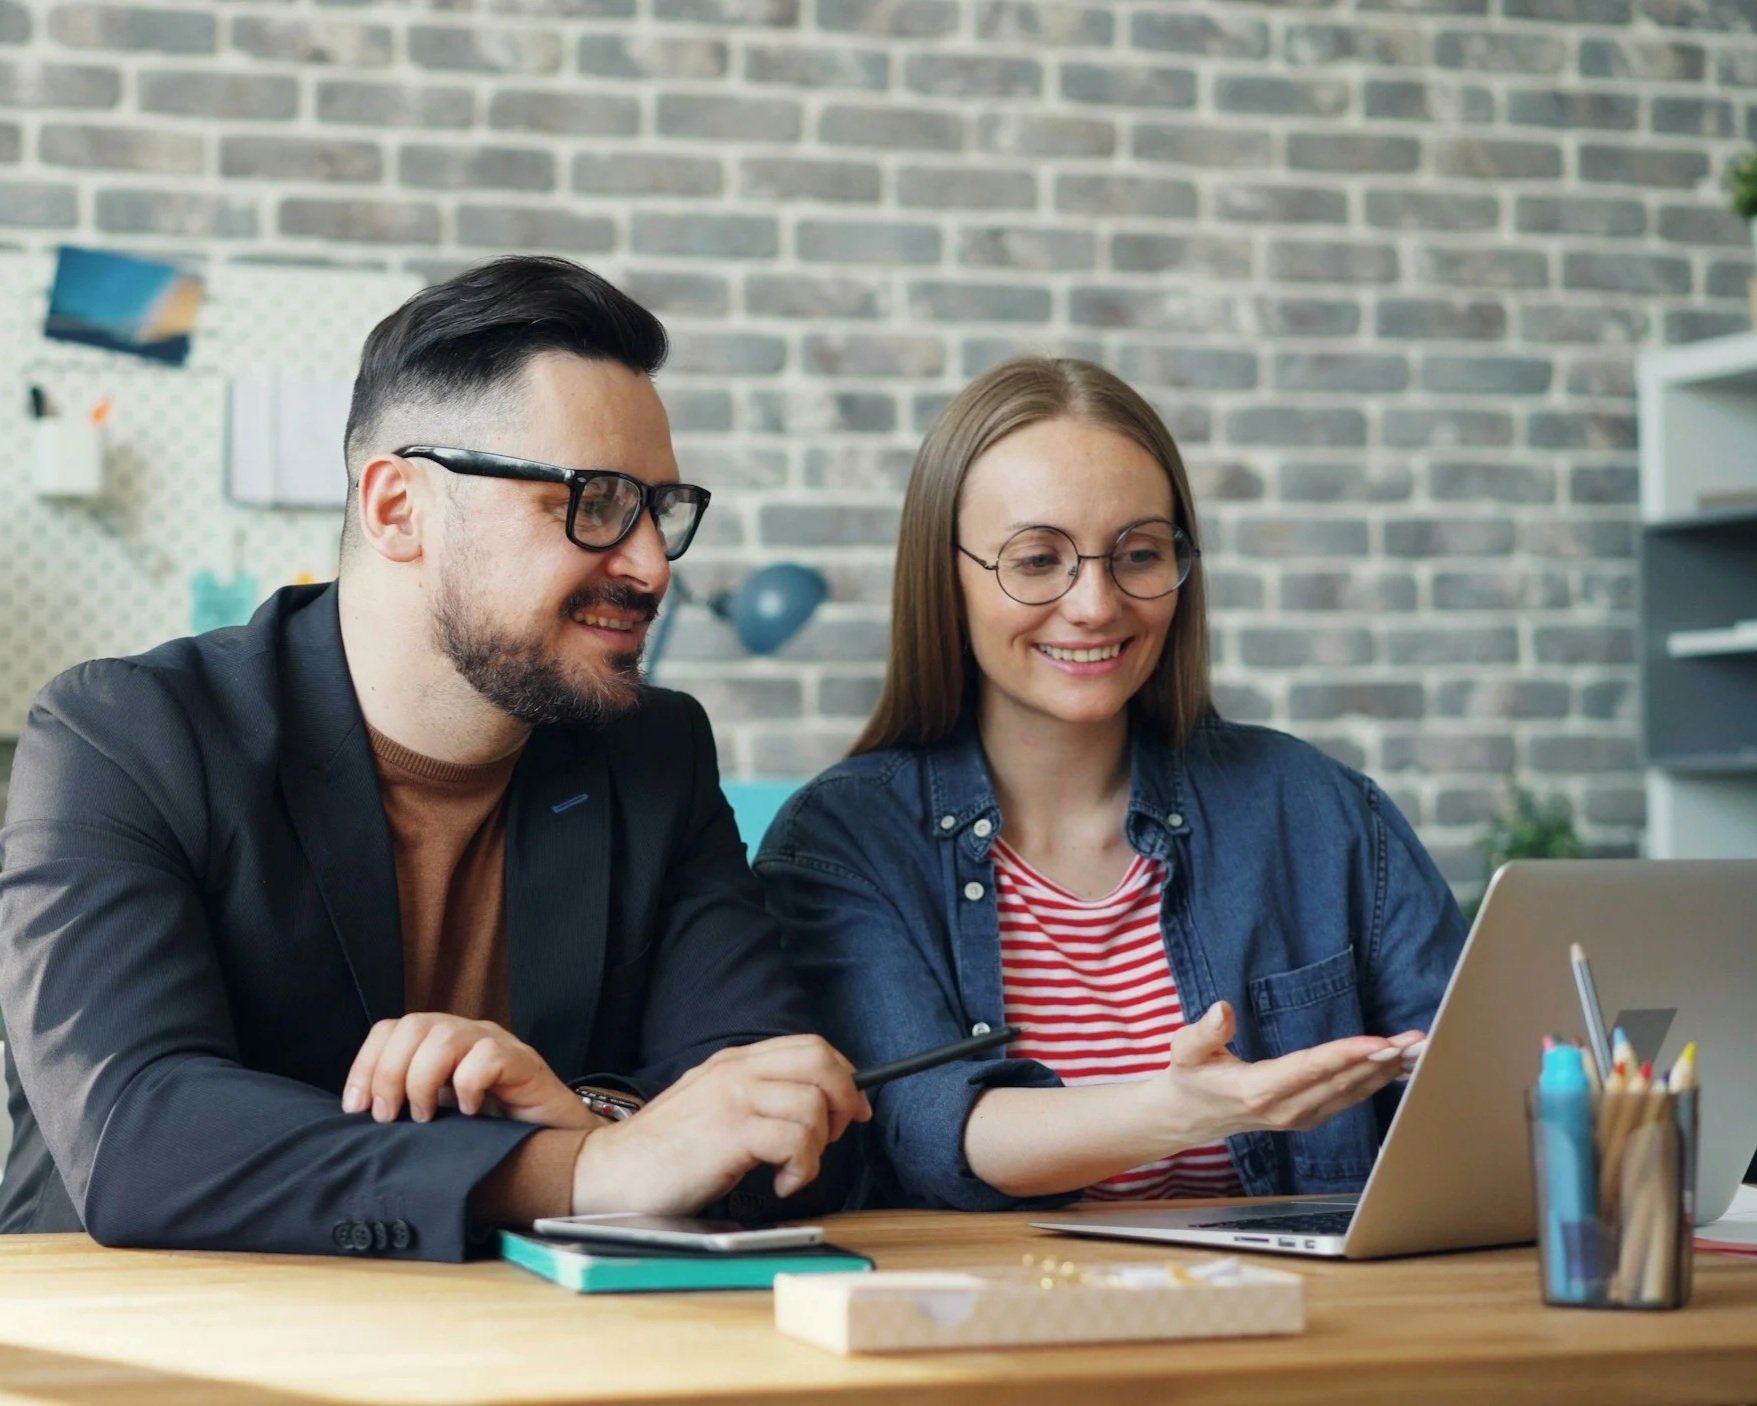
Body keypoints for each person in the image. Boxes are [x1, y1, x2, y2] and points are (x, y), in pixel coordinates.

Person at [0, 256, 867, 1258]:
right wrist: (582, 1168)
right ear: (397, 507)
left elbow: (789, 1116)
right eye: (591, 500)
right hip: (144, 1346)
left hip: (518, 1349)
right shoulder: (125, 735)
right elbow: (140, 1136)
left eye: (657, 508)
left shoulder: (650, 753)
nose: (649, 562)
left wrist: (587, 1111)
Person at [755, 357, 1466, 1211]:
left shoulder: (1317, 809)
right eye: (1036, 560)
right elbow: (932, 1129)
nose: (1095, 604)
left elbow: (1479, 1093)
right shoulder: (844, 841)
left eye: (1137, 554)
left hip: (1302, 1324)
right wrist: (1178, 1112)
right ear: (945, 578)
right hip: (996, 1327)